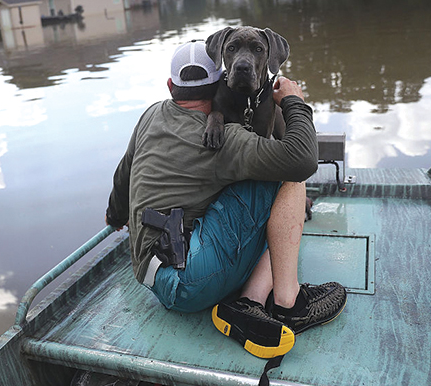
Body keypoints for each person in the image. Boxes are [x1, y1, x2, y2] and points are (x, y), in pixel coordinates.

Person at [105, 40, 346, 359]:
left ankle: (249, 299)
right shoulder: (225, 139)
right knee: (287, 176)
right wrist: (293, 101)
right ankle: (288, 303)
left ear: (170, 85)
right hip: (190, 283)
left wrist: (115, 216)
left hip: (149, 277)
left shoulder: (151, 114)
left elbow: (123, 175)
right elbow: (302, 159)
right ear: (221, 83)